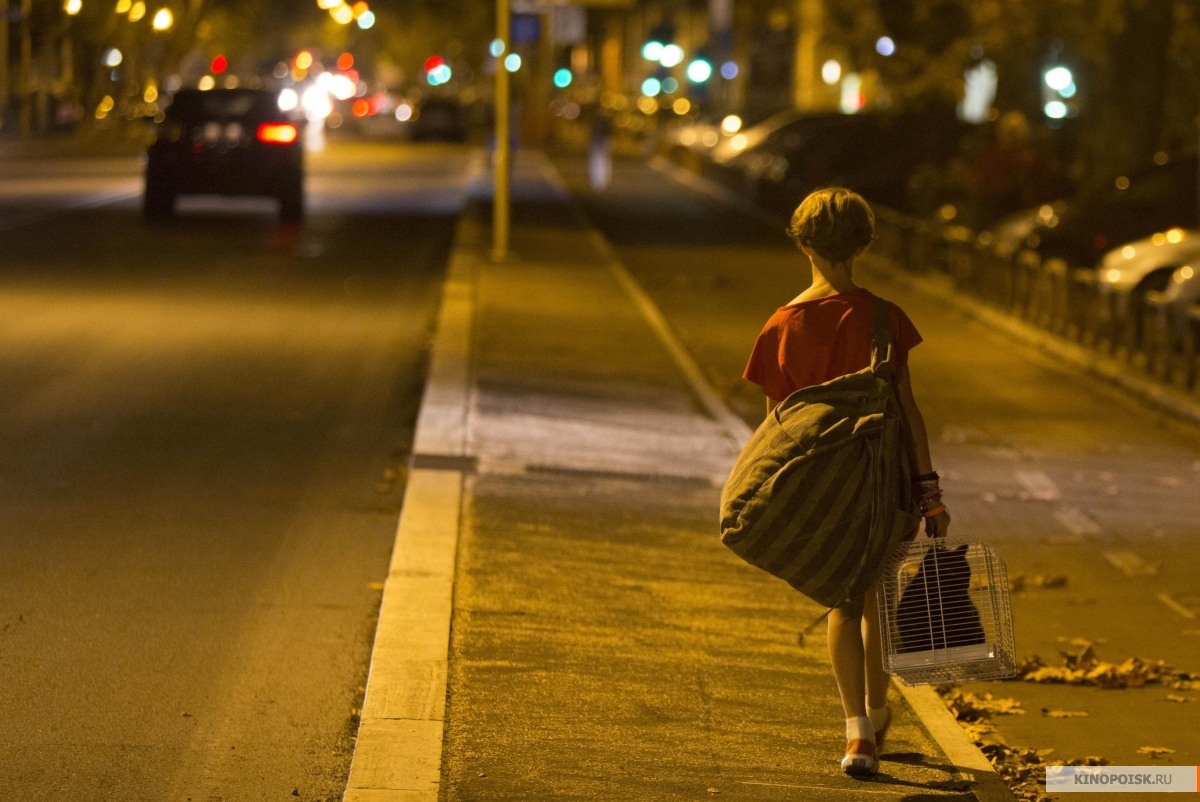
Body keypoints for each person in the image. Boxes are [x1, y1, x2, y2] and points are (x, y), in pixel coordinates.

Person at [741, 187, 951, 777]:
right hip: (884, 486)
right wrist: (930, 495)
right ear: (863, 244)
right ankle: (879, 713)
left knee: (842, 599)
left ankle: (857, 731)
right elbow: (909, 413)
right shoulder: (887, 320)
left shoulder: (781, 326)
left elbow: (777, 430)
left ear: (803, 245)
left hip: (823, 490)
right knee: (879, 598)